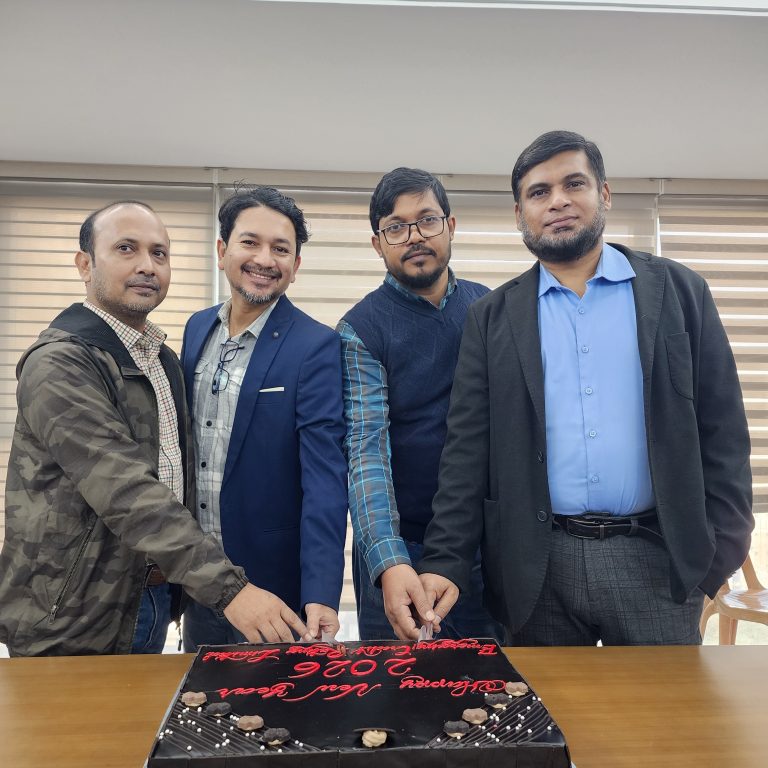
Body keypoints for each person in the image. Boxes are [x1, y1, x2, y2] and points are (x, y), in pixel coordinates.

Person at [412, 131, 754, 646]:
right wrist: (445, 560)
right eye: (539, 192)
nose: (558, 202)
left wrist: (718, 552)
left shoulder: (681, 293)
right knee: (544, 703)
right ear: (520, 213)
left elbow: (723, 429)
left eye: (574, 184)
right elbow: (466, 453)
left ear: (605, 194)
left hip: (657, 560)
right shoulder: (492, 318)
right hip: (536, 568)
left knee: (658, 704)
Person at [0, 200, 312, 656]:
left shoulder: (160, 359)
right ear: (85, 265)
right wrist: (231, 591)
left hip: (152, 598)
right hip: (70, 613)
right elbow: (125, 489)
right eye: (126, 249)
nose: (147, 266)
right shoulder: (60, 362)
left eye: (159, 253)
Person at [338, 167, 503, 642]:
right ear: (378, 244)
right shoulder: (360, 328)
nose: (414, 237)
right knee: (392, 683)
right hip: (398, 551)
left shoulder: (492, 310)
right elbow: (366, 449)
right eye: (396, 227)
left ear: (450, 226)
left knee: (492, 680)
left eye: (427, 220)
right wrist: (389, 559)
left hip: (486, 547)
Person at [180, 185, 348, 650]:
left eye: (280, 249)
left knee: (276, 697)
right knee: (198, 693)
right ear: (222, 251)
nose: (264, 259)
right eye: (250, 242)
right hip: (200, 581)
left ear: (295, 265)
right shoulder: (196, 328)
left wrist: (321, 592)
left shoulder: (315, 345)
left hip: (272, 589)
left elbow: (324, 479)